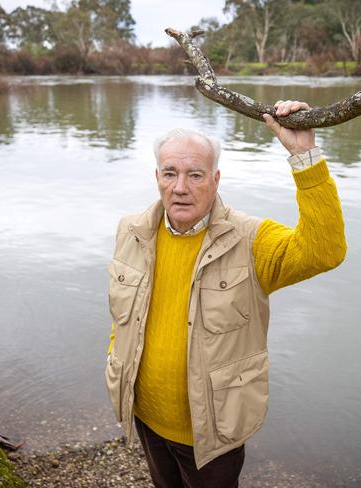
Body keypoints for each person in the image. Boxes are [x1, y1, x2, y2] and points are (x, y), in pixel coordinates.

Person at [105, 100, 346, 488]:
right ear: (157, 176)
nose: (180, 188)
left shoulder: (252, 240)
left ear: (216, 179)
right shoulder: (131, 230)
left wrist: (305, 156)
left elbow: (325, 250)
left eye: (195, 175)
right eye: (170, 173)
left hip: (213, 433)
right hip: (145, 416)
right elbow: (123, 318)